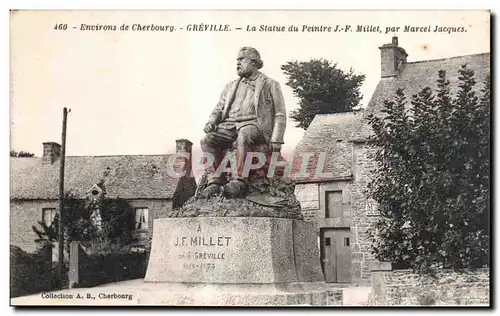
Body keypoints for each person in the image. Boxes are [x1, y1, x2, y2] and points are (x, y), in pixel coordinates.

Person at [200, 46, 287, 198]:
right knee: (207, 139)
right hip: (229, 125)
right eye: (237, 60)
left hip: (255, 125)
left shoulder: (270, 84)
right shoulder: (230, 86)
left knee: (244, 135)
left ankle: (239, 181)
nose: (237, 63)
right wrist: (212, 121)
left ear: (253, 62)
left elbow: (280, 113)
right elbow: (219, 108)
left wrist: (277, 139)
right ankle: (215, 181)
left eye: (241, 59)